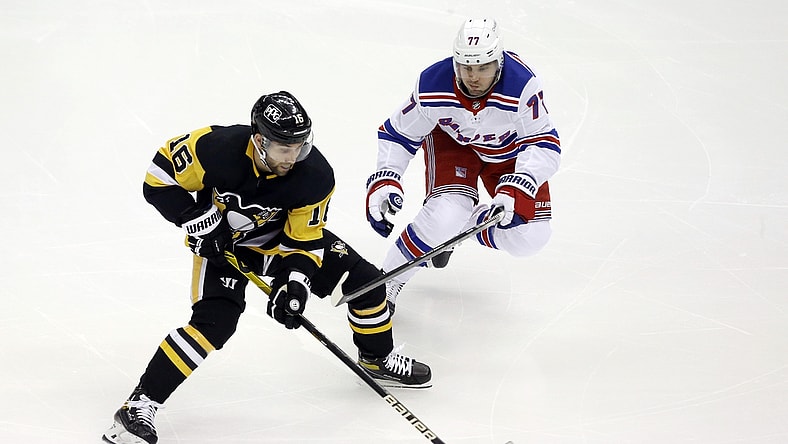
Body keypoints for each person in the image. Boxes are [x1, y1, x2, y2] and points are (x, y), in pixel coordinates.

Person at [102, 91, 431, 444]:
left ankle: (376, 358)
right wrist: (194, 217)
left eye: (300, 146)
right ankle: (139, 404)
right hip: (224, 247)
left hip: (278, 242)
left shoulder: (315, 176)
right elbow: (158, 177)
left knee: (367, 283)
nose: (294, 157)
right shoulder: (216, 147)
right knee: (215, 323)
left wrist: (294, 285)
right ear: (260, 141)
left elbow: (303, 240)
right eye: (284, 148)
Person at [365, 18, 561, 313]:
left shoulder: (522, 86)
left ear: (499, 62)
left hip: (508, 154)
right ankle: (387, 285)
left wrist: (522, 183)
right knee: (444, 217)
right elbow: (399, 132)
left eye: (483, 67)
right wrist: (385, 179)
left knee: (531, 238)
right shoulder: (432, 84)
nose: (473, 76)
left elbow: (543, 142)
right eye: (466, 67)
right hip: (455, 146)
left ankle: (466, 224)